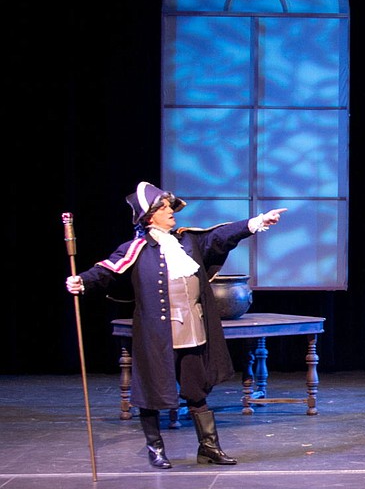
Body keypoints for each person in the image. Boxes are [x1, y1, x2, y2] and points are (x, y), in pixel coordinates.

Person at [65, 182, 286, 469]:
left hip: (193, 330)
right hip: (156, 335)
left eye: (170, 206)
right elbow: (105, 270)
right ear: (149, 216)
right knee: (153, 390)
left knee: (196, 390)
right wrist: (81, 281)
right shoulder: (136, 249)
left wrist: (256, 222)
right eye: (164, 207)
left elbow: (220, 236)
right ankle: (155, 448)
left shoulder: (188, 242)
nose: (171, 211)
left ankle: (209, 448)